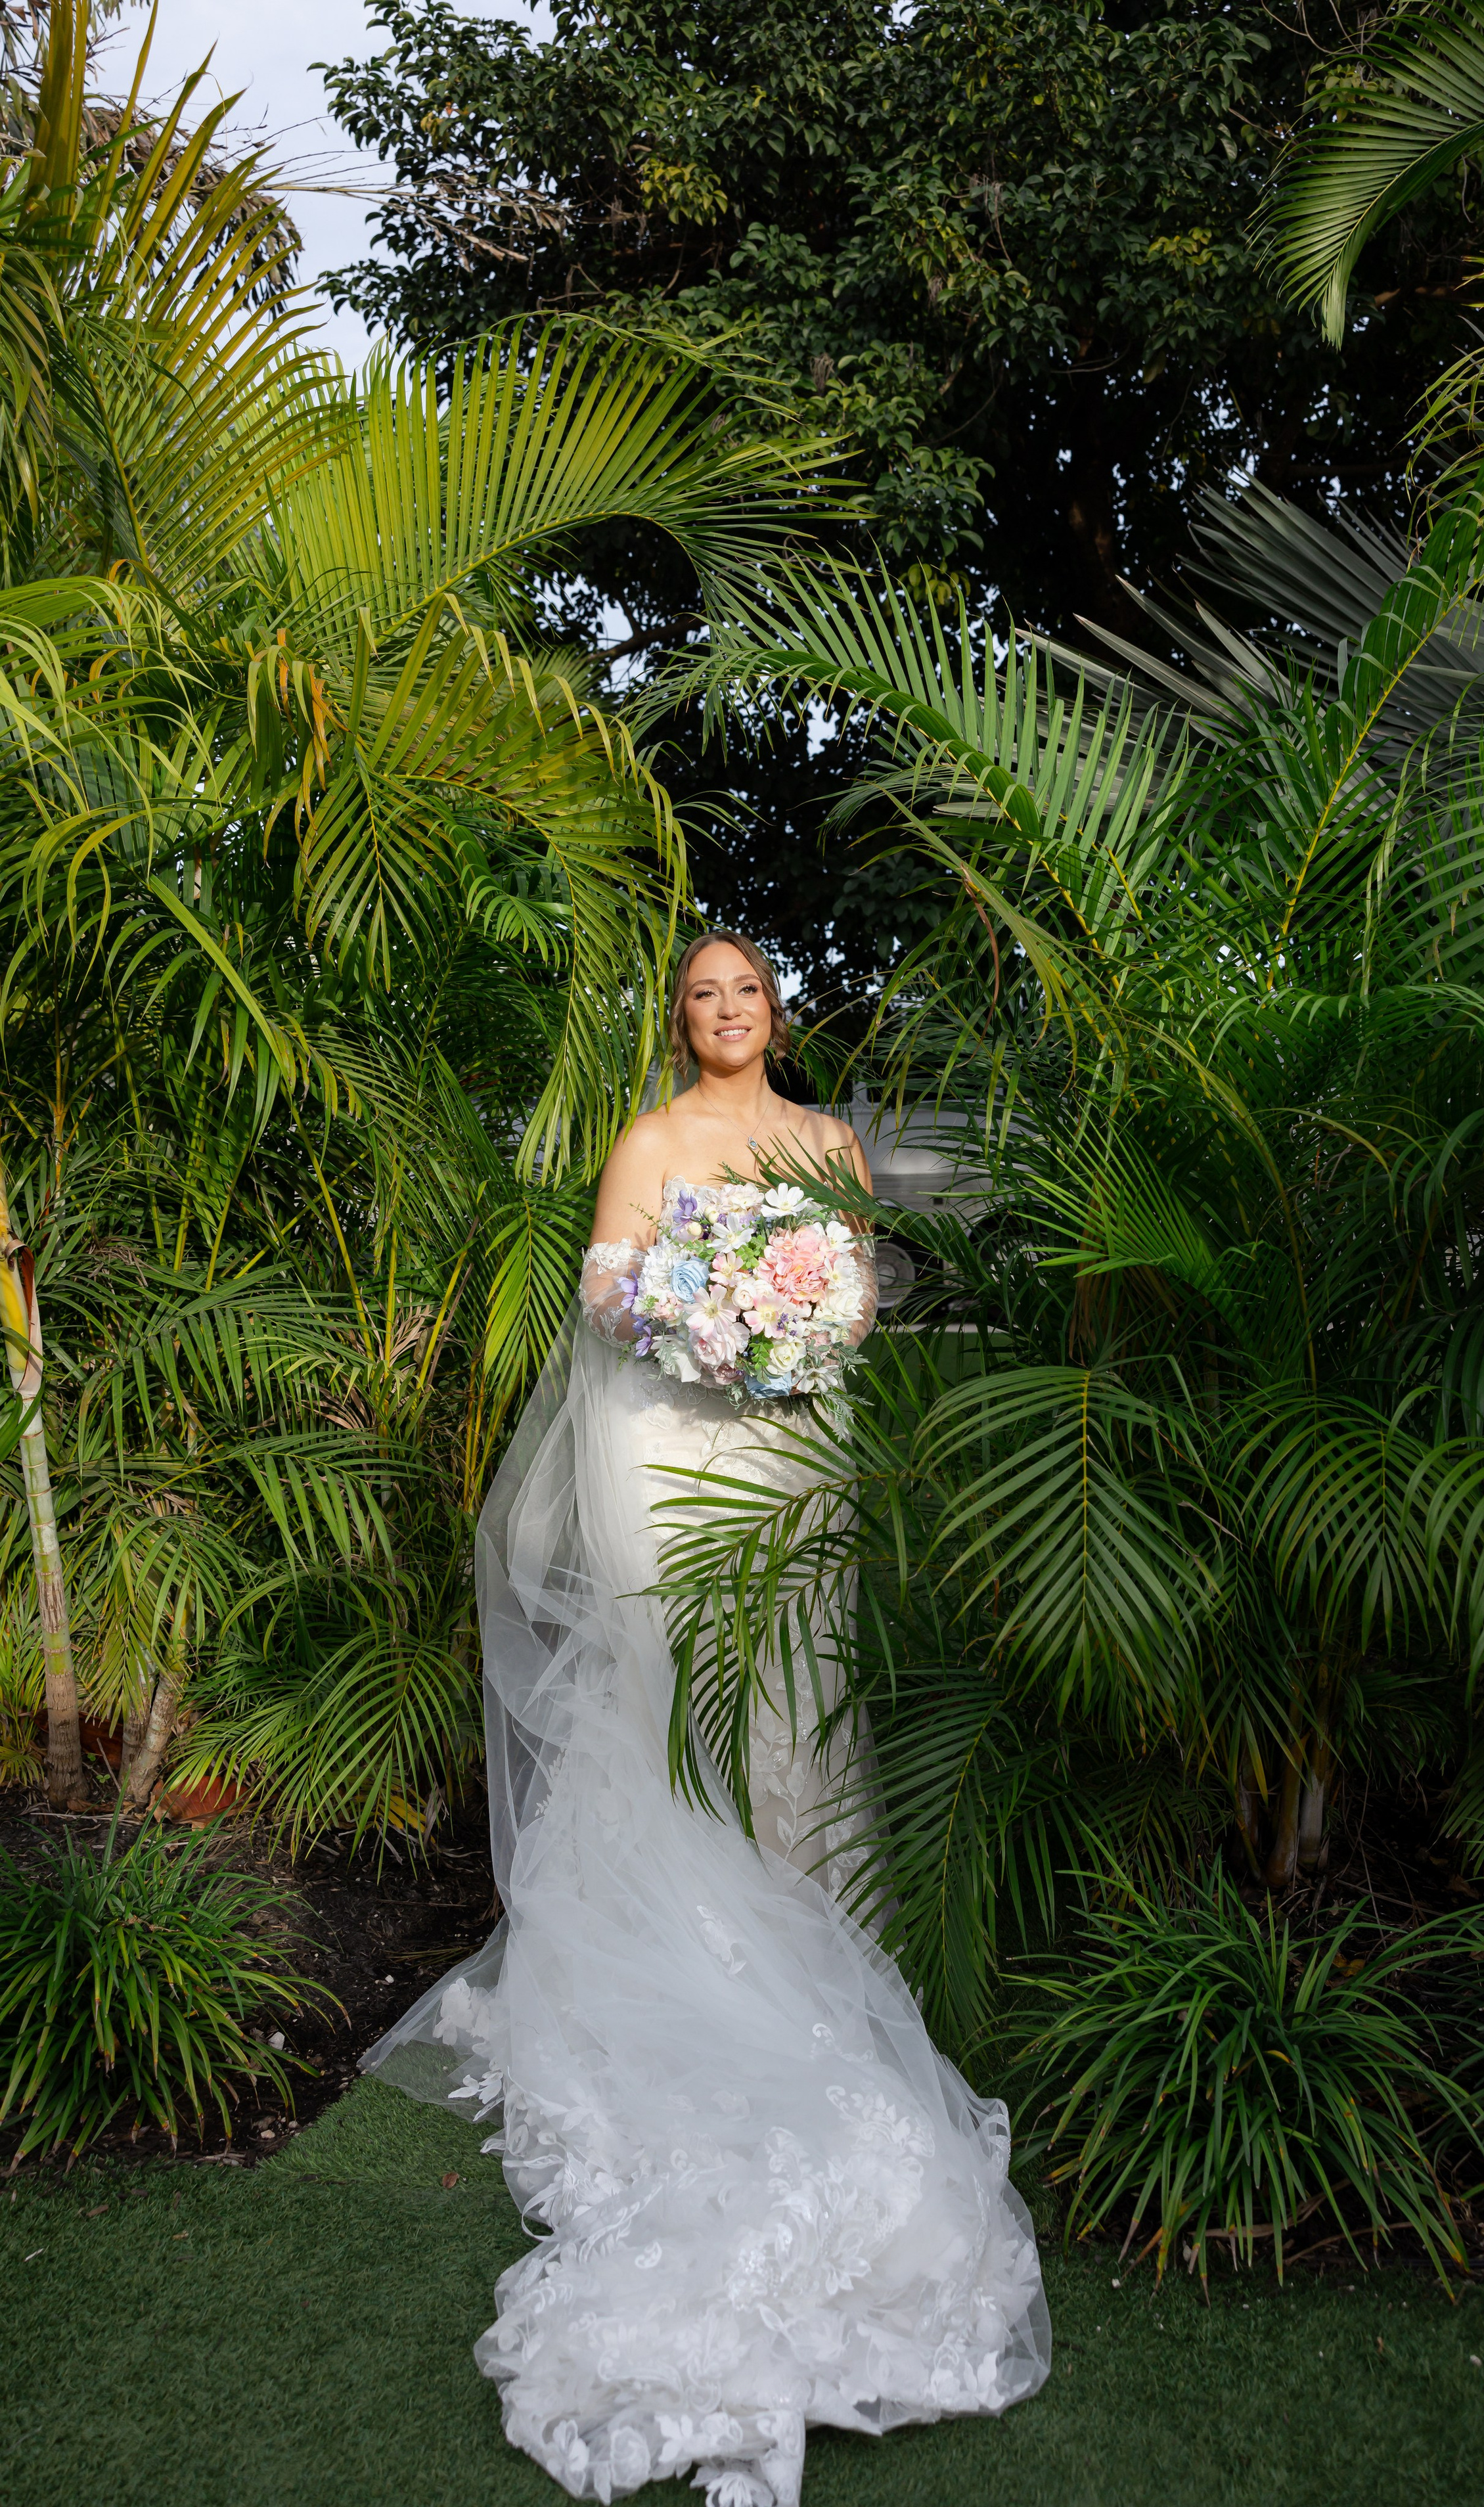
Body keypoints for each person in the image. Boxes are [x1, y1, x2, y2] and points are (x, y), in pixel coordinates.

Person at [364, 934, 1050, 2506]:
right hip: (675, 1460)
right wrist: (709, 1322)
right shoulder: (651, 1141)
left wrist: (796, 1326)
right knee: (676, 1696)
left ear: (775, 1016)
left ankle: (796, 1927)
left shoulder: (824, 1144)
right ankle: (675, 1946)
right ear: (677, 1022)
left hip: (796, 1456)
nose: (723, 1014)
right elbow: (608, 1293)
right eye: (699, 997)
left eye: (743, 994)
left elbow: (859, 1296)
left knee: (794, 1693)